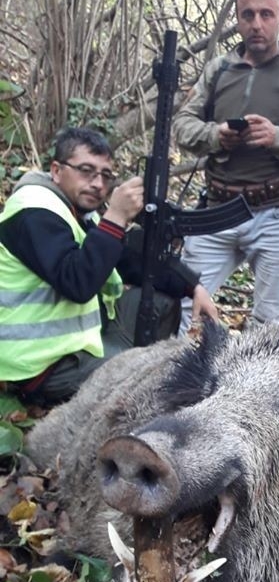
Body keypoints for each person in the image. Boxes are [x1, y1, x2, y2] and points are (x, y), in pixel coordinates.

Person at [0, 126, 217, 404]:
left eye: (105, 175)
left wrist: (192, 286)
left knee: (162, 302)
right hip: (41, 365)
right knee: (154, 382)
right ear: (56, 170)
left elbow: (128, 261)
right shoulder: (34, 212)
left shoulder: (77, 212)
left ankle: (134, 376)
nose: (98, 184)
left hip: (81, 341)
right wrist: (115, 216)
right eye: (86, 171)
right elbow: (77, 283)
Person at [172, 0, 279, 330]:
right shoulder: (218, 70)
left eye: (266, 14)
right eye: (248, 15)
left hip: (277, 212)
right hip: (217, 211)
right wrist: (216, 135)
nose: (257, 24)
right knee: (180, 307)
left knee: (268, 324)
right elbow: (181, 125)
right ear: (237, 18)